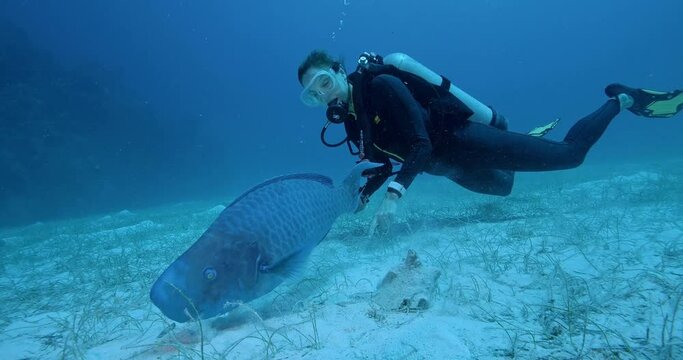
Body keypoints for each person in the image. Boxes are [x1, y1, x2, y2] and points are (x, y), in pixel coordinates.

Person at [297, 50, 683, 236]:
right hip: (446, 167)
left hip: (461, 141)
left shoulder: (381, 86)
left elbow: (420, 143)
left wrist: (394, 196)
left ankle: (621, 99)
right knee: (504, 186)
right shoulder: (352, 121)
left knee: (571, 156)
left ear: (338, 71)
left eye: (323, 83)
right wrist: (363, 195)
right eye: (312, 95)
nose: (322, 96)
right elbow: (382, 161)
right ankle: (518, 143)